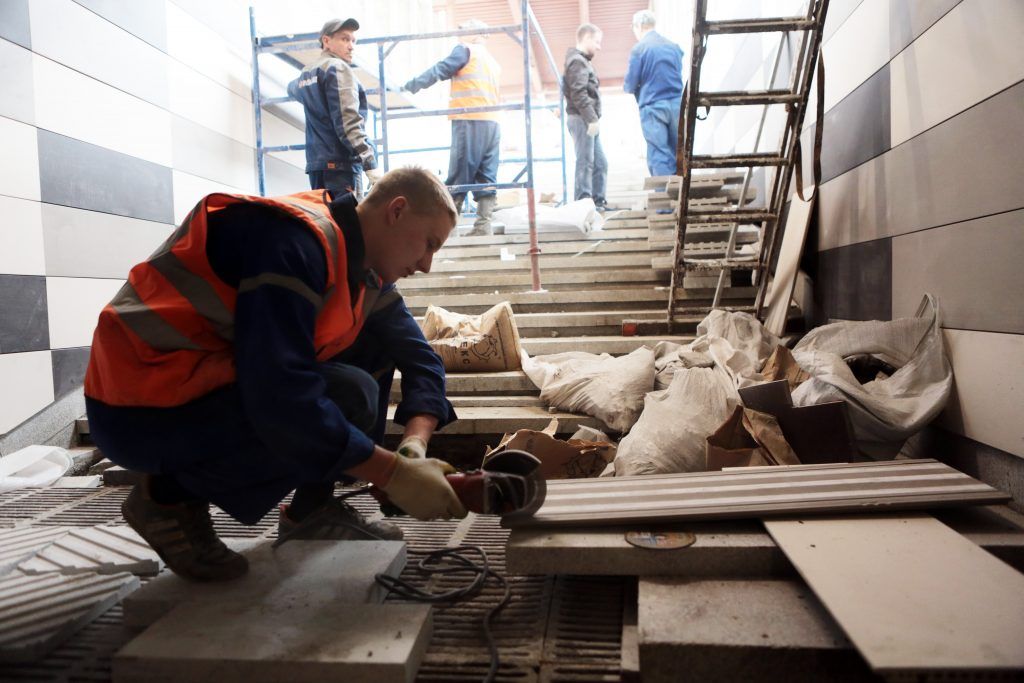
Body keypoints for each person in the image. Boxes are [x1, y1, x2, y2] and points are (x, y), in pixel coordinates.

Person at [84, 168, 464, 582]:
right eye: (429, 244)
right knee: (346, 391)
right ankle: (167, 501)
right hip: (138, 407)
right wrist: (390, 473)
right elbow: (279, 393)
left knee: (372, 350)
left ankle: (312, 512)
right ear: (397, 210)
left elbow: (420, 358)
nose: (426, 265)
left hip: (198, 389)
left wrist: (413, 447)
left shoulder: (363, 273)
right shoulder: (294, 242)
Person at [401, 19, 503, 236]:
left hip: (469, 118)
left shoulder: (466, 50)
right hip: (492, 123)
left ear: (474, 34)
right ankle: (483, 226)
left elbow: (443, 68)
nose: (459, 37)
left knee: (460, 172)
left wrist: (413, 84)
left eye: (463, 32)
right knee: (487, 175)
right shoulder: (492, 61)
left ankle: (447, 229)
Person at [289, 17, 382, 197]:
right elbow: (348, 124)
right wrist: (370, 163)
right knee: (347, 224)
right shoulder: (338, 68)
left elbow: (292, 88)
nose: (351, 46)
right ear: (326, 41)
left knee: (325, 221)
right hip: (341, 167)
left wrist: (307, 87)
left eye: (353, 41)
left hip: (317, 166)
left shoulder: (307, 73)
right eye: (345, 39)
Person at [623, 10, 685, 177]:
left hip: (653, 107)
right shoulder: (674, 47)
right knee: (680, 150)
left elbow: (630, 84)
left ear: (639, 26)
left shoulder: (639, 49)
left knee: (659, 153)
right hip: (677, 106)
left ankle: (665, 200)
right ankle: (681, 196)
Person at [563, 23, 607, 210]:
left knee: (600, 162)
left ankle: (597, 202)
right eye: (596, 41)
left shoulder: (582, 61)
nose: (599, 46)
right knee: (585, 161)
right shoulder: (577, 62)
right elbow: (579, 93)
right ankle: (583, 204)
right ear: (586, 38)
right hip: (582, 119)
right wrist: (591, 119)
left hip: (586, 119)